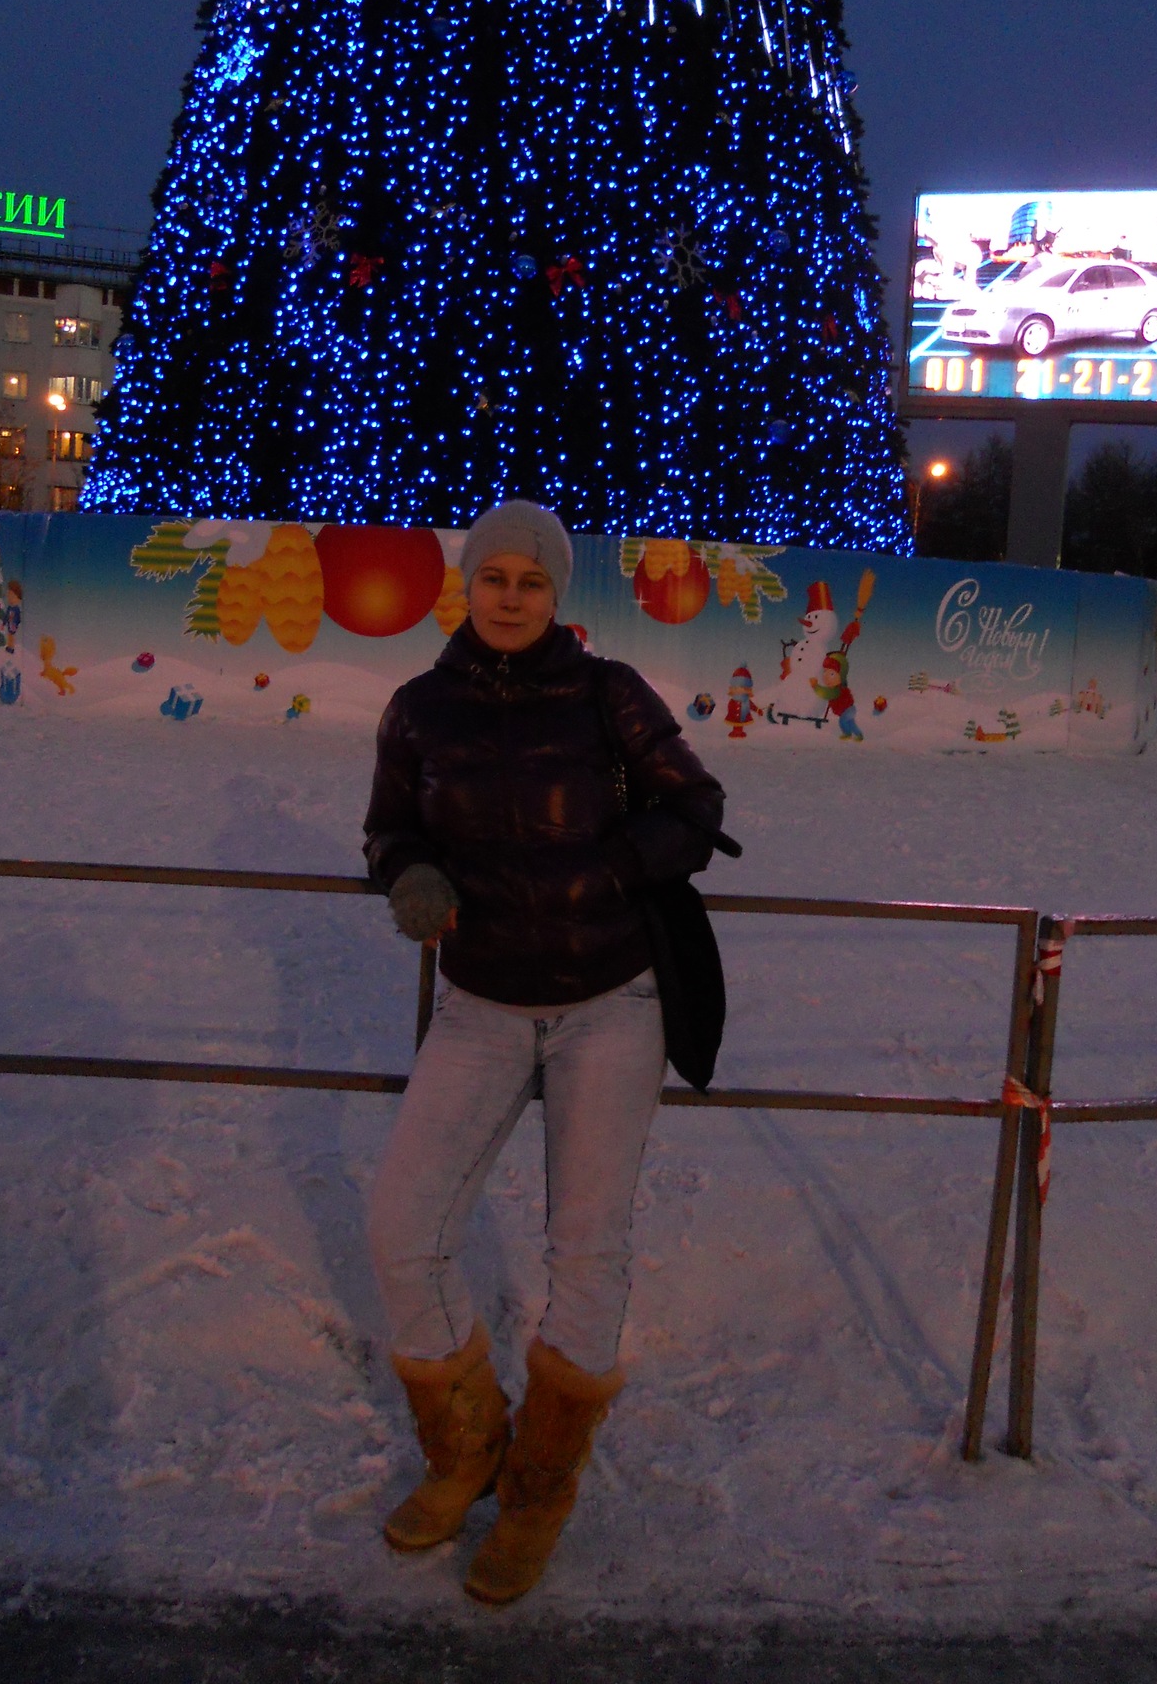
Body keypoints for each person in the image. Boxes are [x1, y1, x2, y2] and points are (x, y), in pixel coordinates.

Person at [363, 500, 725, 1605]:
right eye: (494, 577)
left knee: (588, 1252)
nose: (510, 596)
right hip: (480, 1003)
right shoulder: (419, 707)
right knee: (401, 1229)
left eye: (531, 580)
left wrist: (607, 870)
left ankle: (538, 1489)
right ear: (466, 585)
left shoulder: (608, 692)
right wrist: (409, 871)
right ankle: (466, 1448)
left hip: (611, 1002)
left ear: (557, 594)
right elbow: (389, 827)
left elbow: (695, 804)